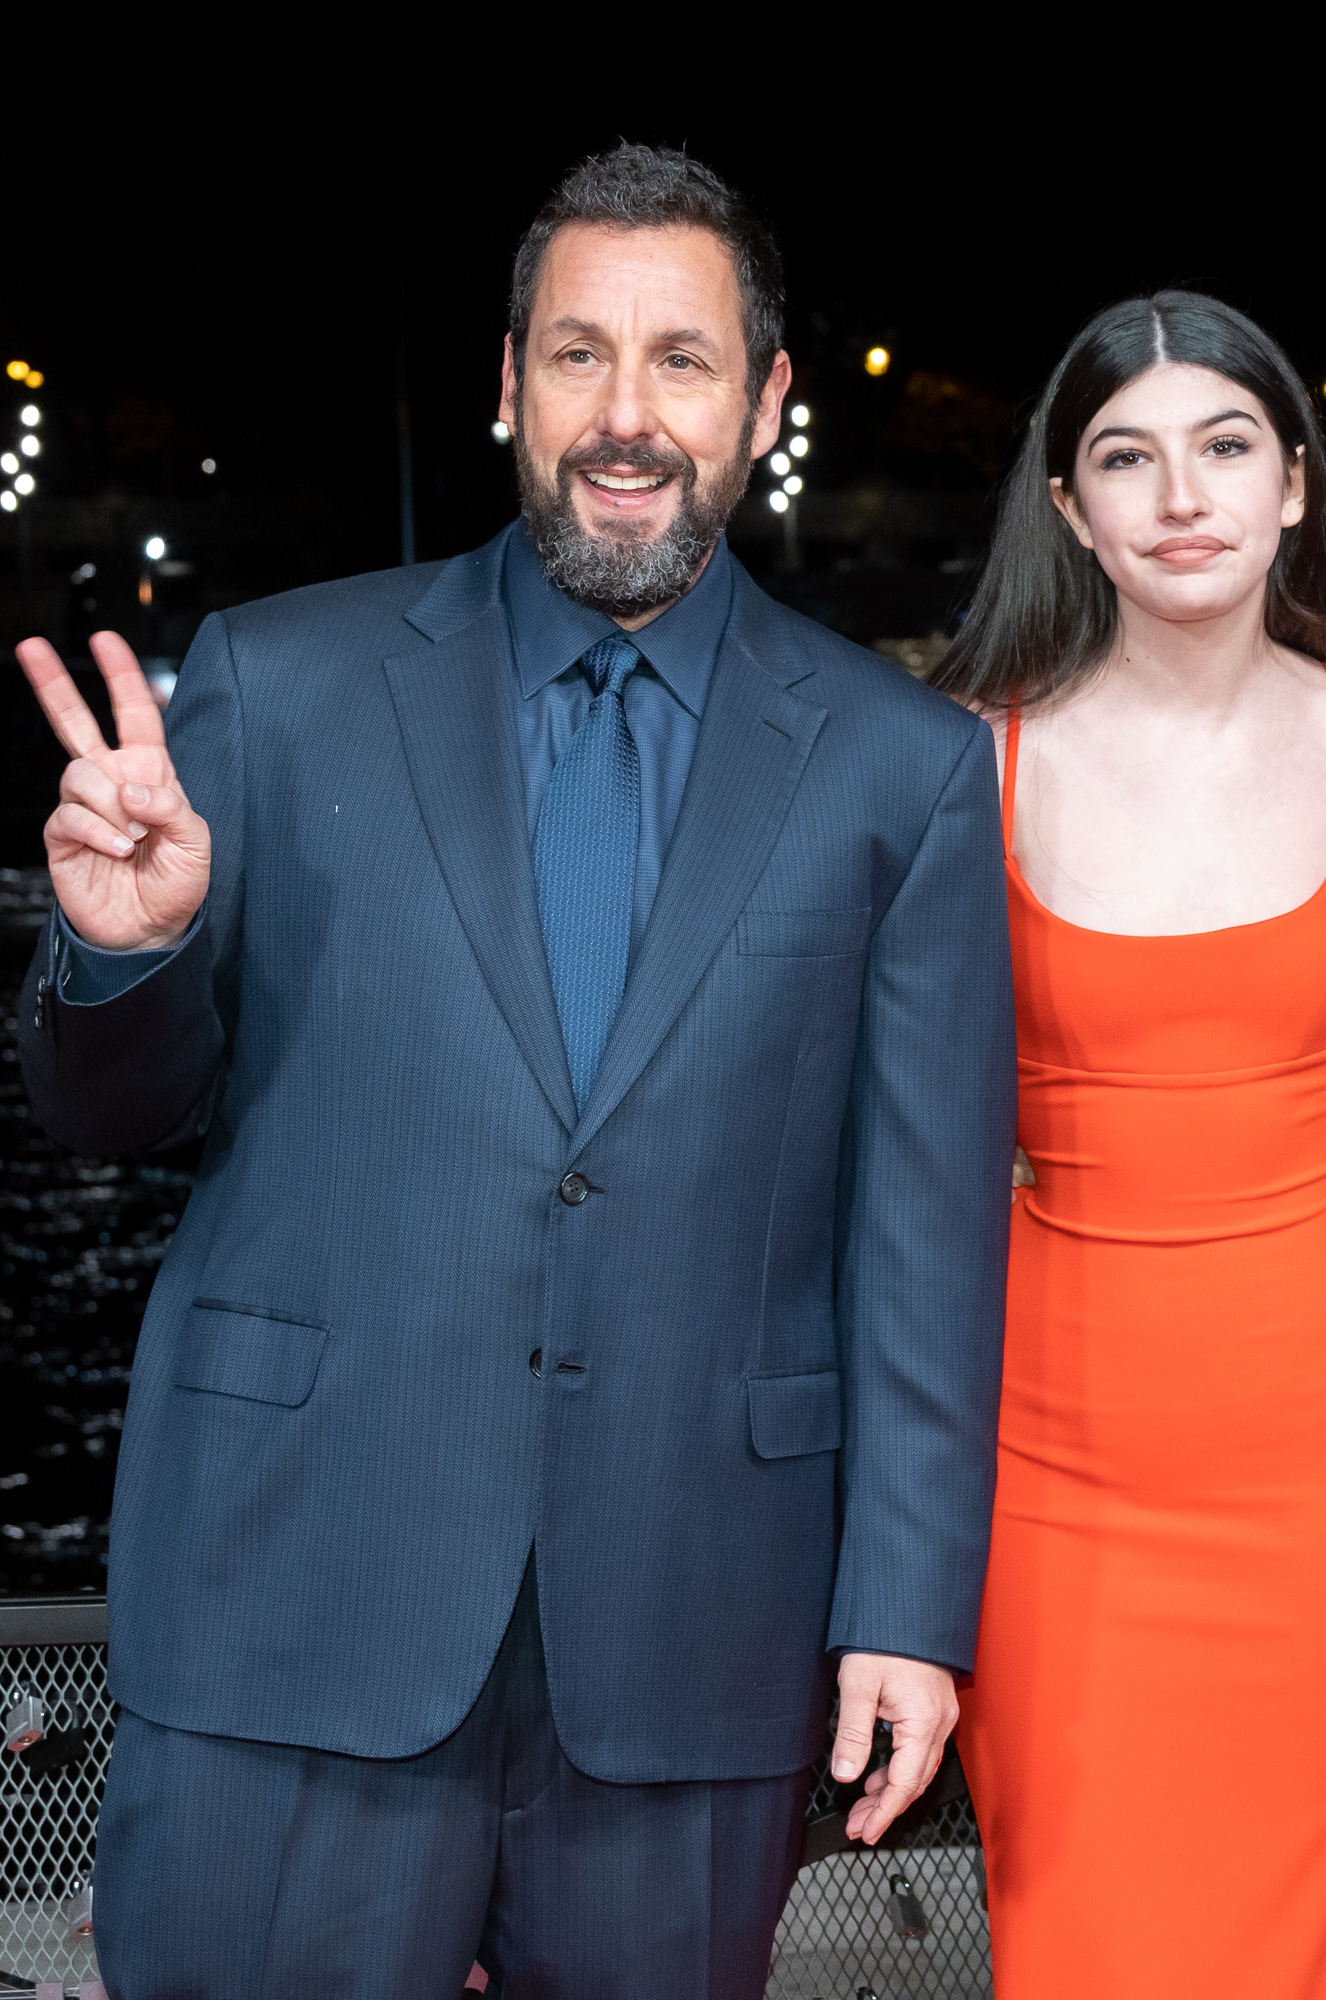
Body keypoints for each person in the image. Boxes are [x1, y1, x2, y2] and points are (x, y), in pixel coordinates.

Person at [12, 144, 1009, 1991]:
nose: (626, 416)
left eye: (682, 360)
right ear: (508, 383)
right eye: (577, 355)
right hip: (293, 1599)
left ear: (766, 400)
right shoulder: (278, 685)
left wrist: (908, 1605)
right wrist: (125, 952)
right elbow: (107, 1115)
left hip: (695, 1637)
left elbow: (927, 1245)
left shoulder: (907, 768)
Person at [926, 291, 1326, 2000]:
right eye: (1126, 458)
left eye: (1225, 446)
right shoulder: (974, 764)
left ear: (1291, 482)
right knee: (1082, 1931)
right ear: (1069, 508)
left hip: (1307, 1451)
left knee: (1294, 1931)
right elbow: (906, 1134)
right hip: (1046, 1456)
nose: (1180, 497)